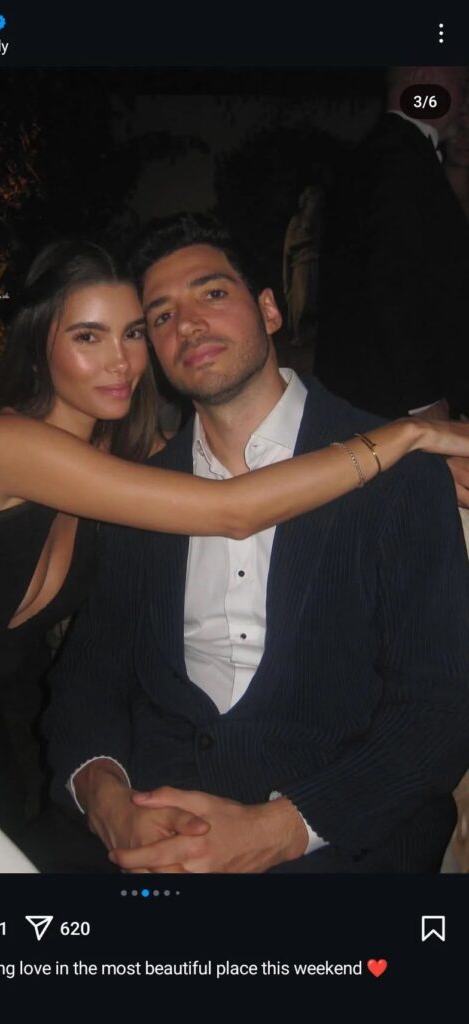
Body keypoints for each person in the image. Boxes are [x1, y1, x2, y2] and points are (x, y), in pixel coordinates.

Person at [44, 214, 469, 874]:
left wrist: (283, 829)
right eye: (161, 317)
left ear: (270, 310)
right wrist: (107, 798)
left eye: (212, 294)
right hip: (156, 825)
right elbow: (91, 673)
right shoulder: (137, 496)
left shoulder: (400, 477)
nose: (187, 325)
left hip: (341, 839)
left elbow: (440, 706)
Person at [315, 65, 469, 422]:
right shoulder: (399, 157)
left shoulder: (392, 151)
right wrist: (424, 399)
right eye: (462, 85)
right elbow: (393, 281)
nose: (465, 101)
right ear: (423, 82)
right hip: (391, 403)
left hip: (380, 394)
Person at [282, 185, 323, 348]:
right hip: (301, 266)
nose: (315, 205)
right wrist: (307, 241)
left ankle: (310, 334)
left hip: (314, 263)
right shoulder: (297, 221)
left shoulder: (317, 223)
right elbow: (289, 246)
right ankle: (299, 334)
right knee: (302, 301)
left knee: (313, 302)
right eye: (313, 201)